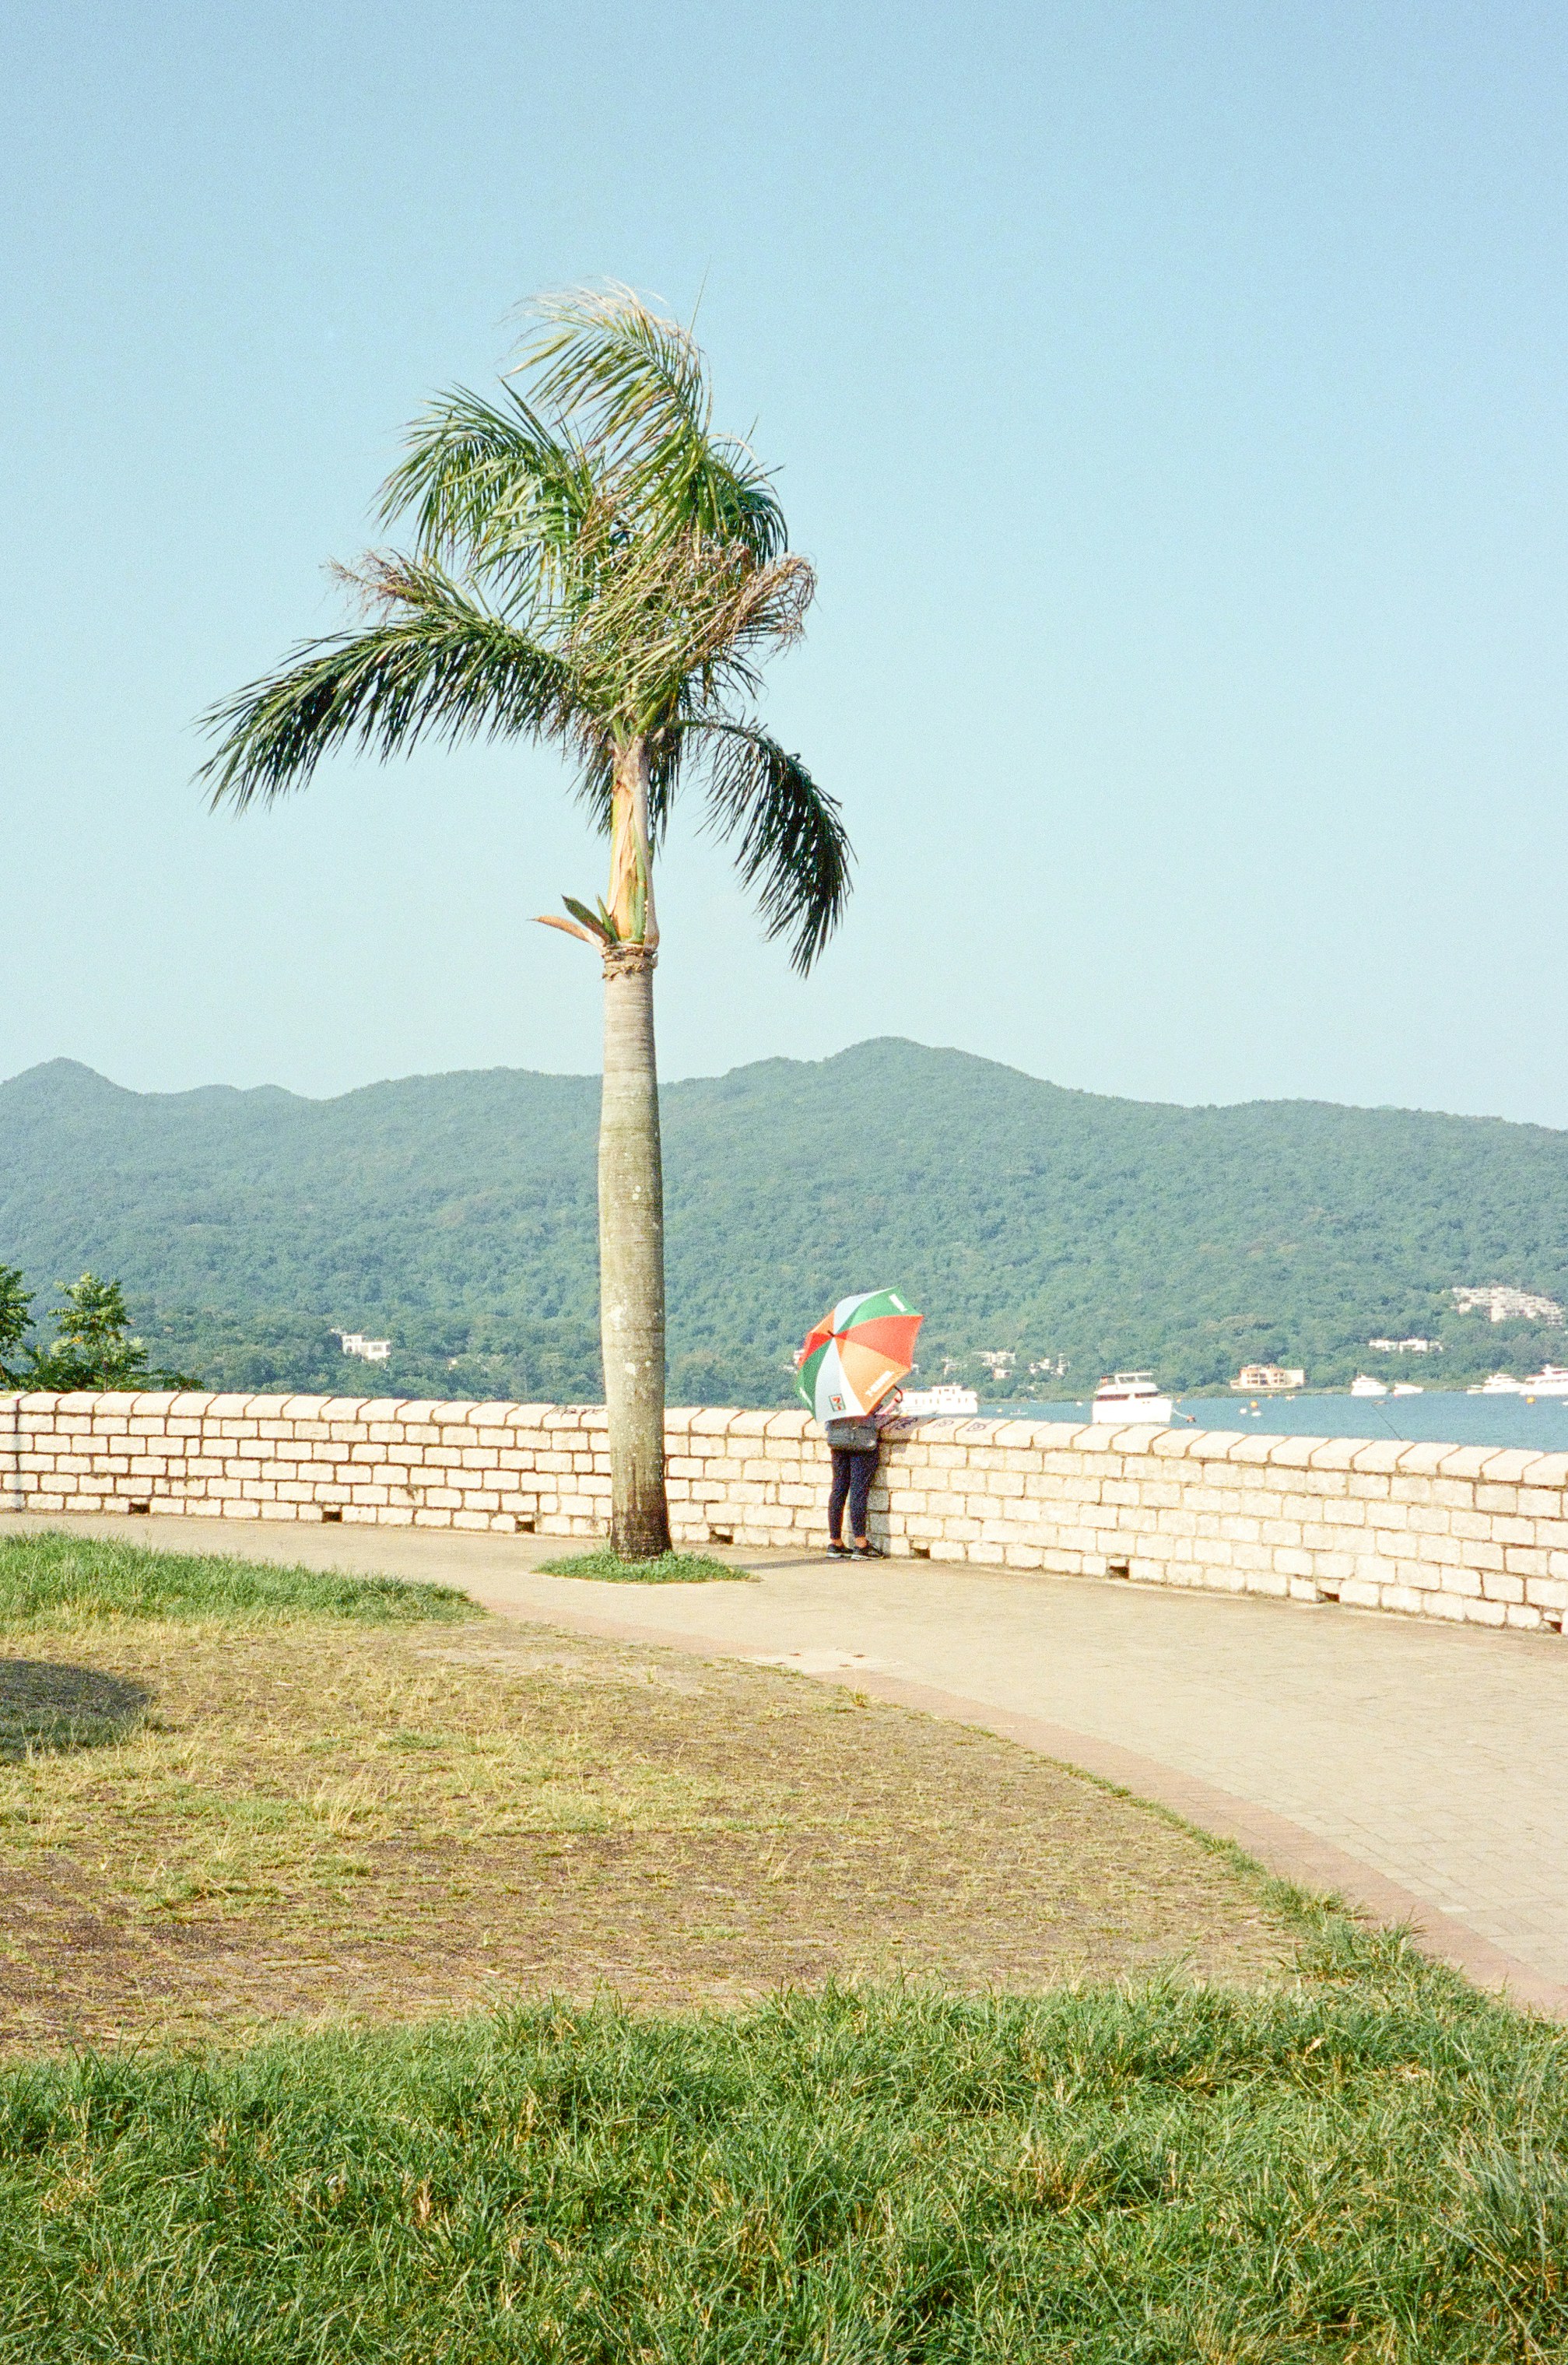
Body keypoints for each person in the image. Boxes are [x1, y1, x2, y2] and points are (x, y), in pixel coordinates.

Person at [823, 1389, 901, 1558]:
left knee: (838, 1490)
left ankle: (835, 1542)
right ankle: (861, 1544)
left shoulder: (832, 1384)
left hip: (837, 1439)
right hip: (861, 1441)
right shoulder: (863, 1385)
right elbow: (873, 1411)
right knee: (859, 1490)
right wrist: (892, 1400)